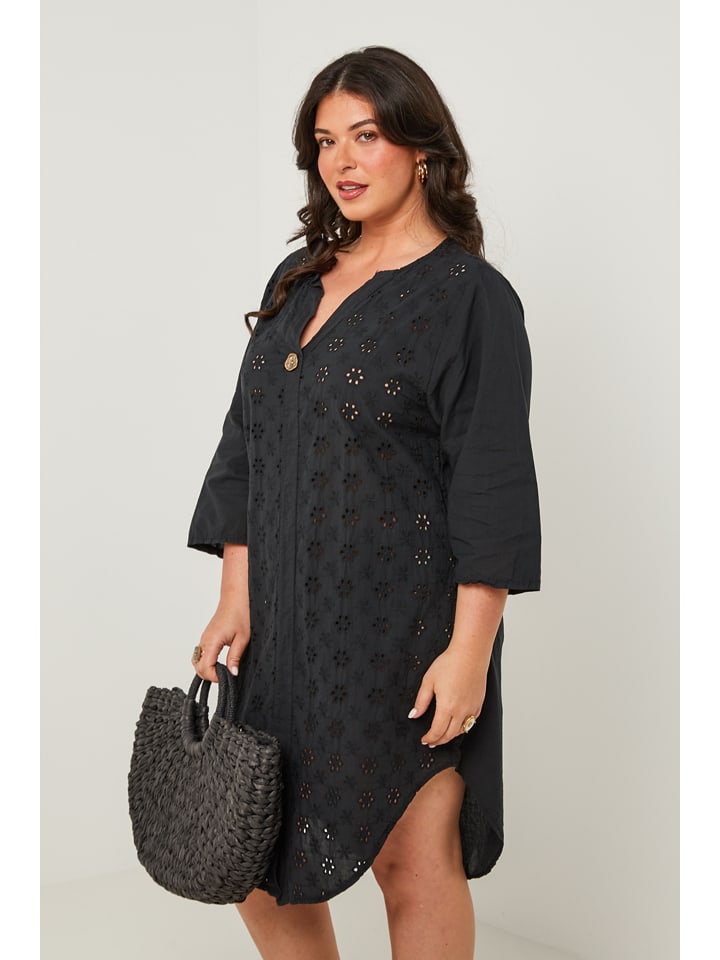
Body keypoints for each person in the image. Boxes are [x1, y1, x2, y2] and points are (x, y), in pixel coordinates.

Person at [187, 45, 540, 960]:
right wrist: (235, 595)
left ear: (421, 148)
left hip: (405, 631)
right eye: (324, 142)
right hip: (281, 628)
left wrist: (470, 653)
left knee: (412, 862)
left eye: (366, 136)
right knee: (251, 850)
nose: (341, 161)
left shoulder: (471, 300)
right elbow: (246, 445)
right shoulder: (299, 281)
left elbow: (492, 486)